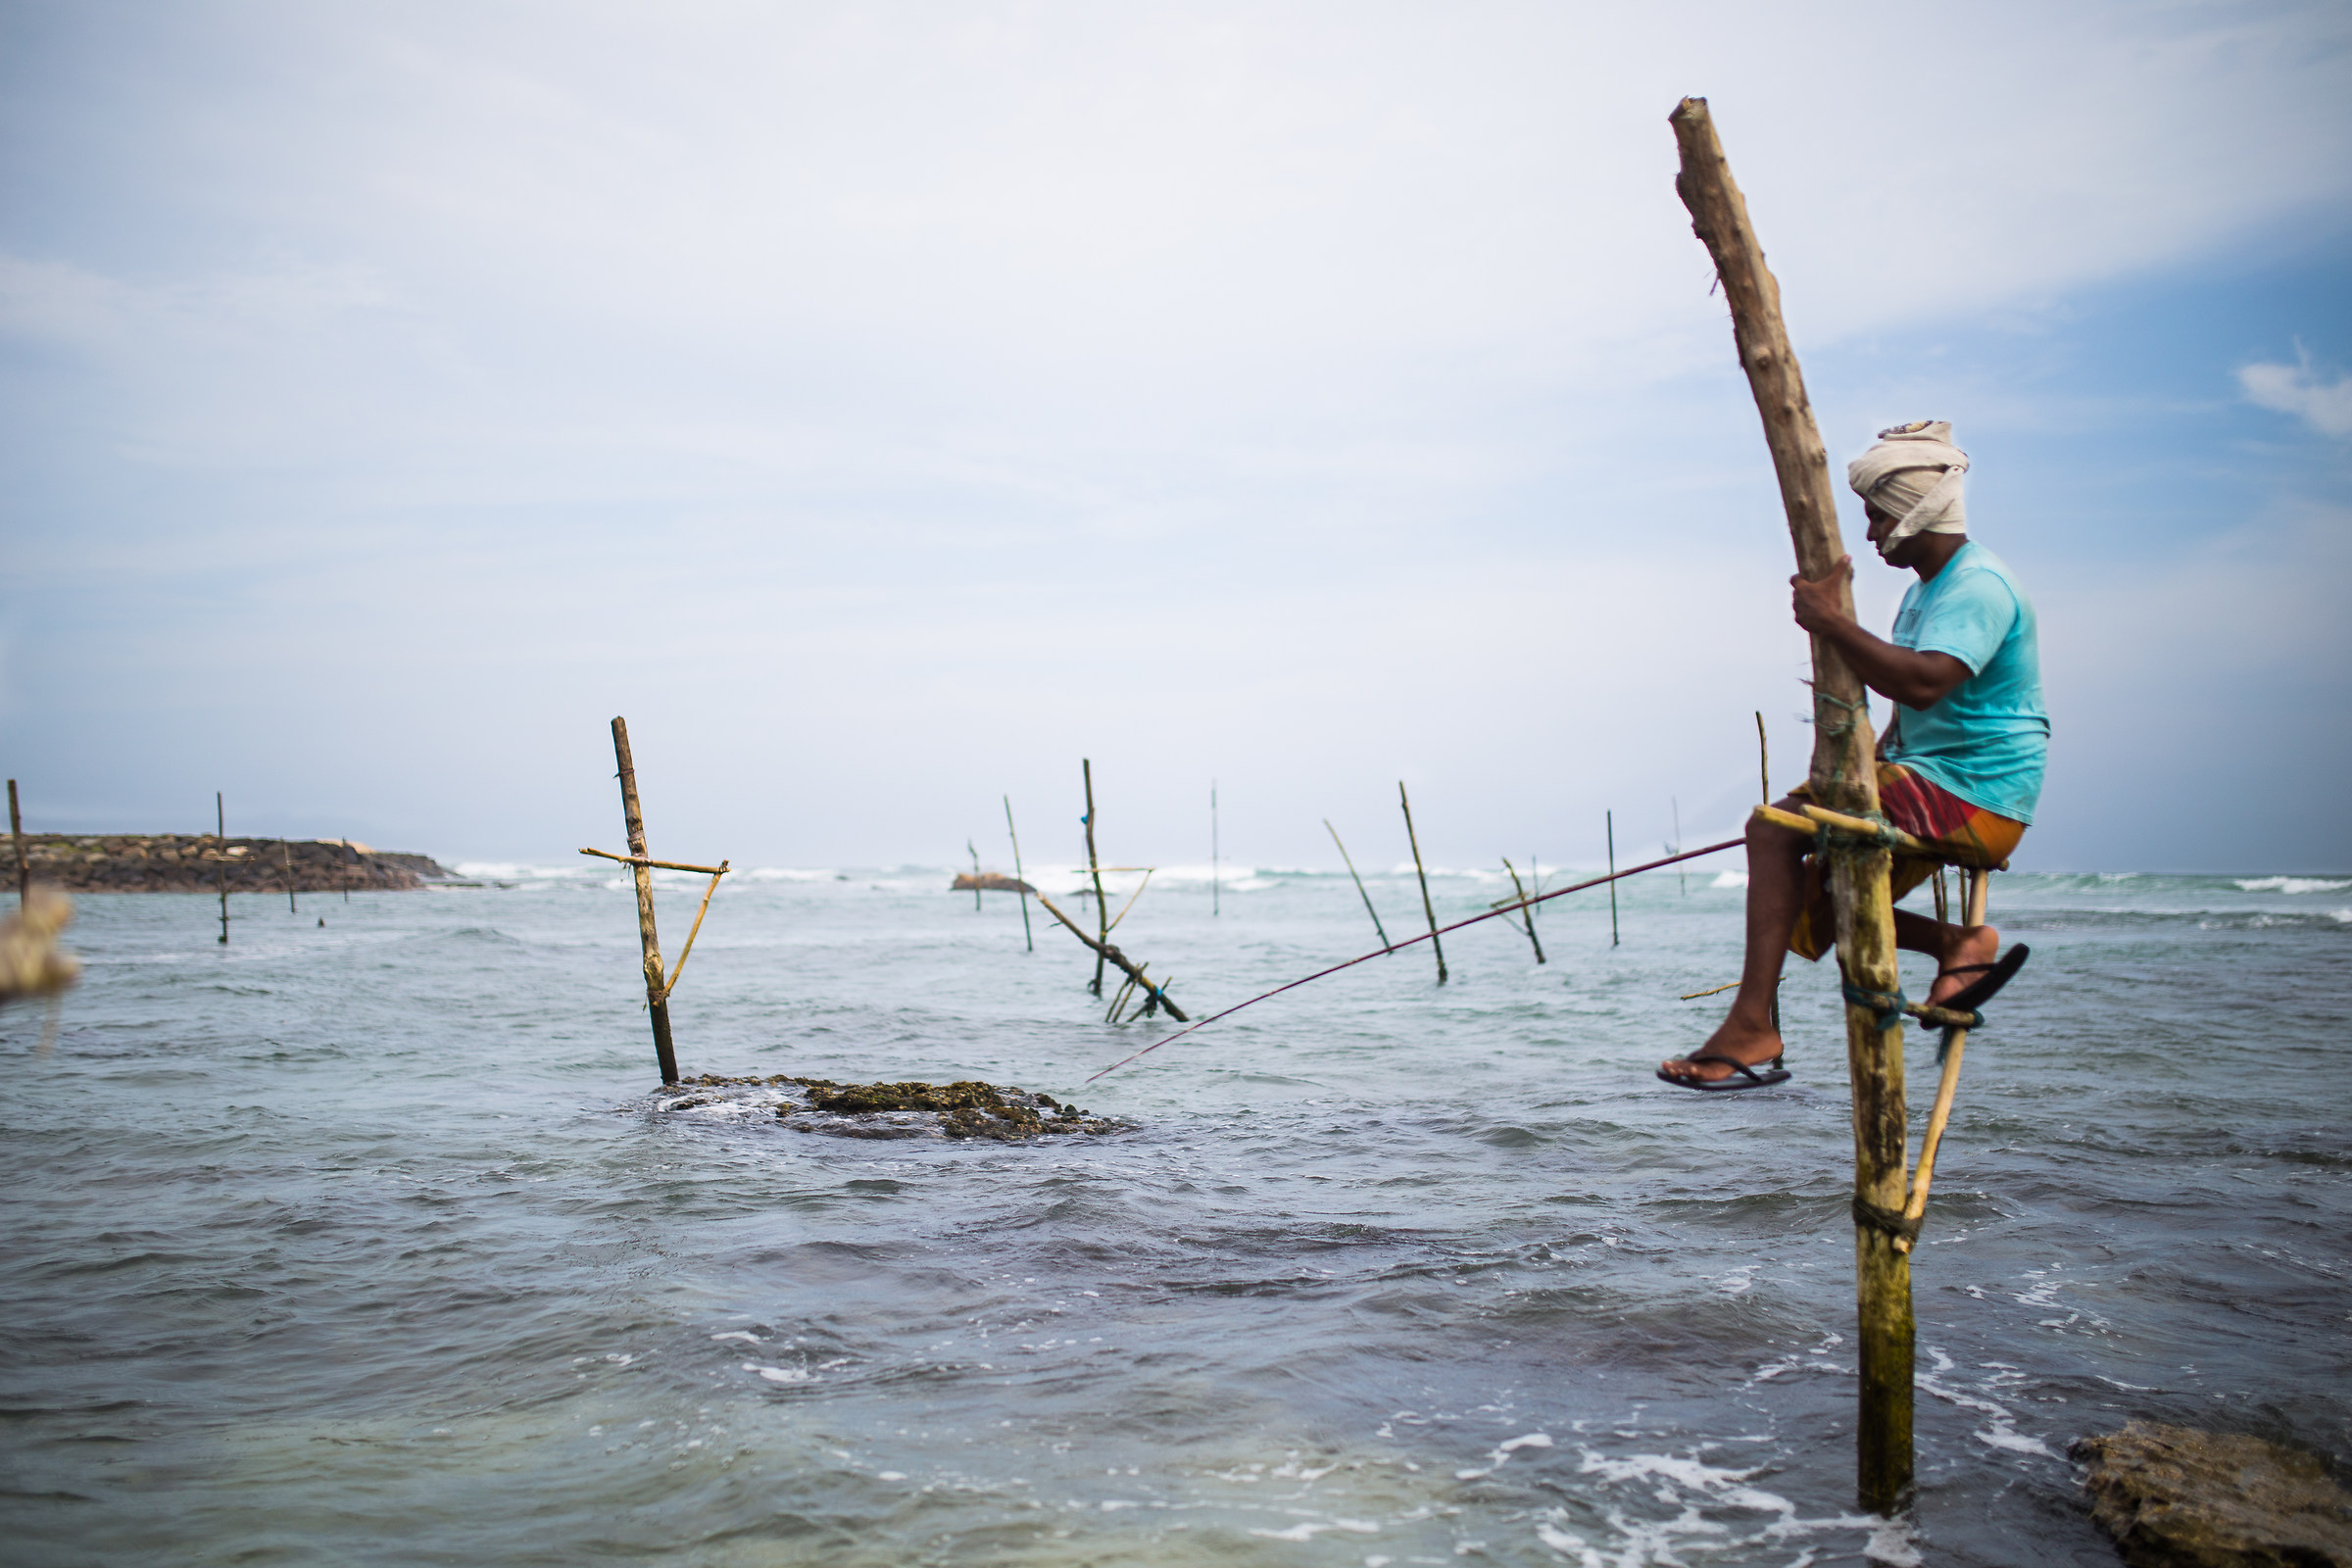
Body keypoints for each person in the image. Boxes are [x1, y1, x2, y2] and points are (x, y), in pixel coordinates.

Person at [1659, 420, 2048, 1090]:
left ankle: (1752, 1023)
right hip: (1936, 777)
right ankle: (1957, 944)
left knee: (1771, 830)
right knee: (1821, 896)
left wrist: (1834, 622)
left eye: (1877, 516)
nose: (1870, 533)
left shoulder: (1978, 585)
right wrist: (1862, 759)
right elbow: (1911, 710)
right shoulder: (1929, 590)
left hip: (1974, 791)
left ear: (1914, 511)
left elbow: (1924, 681)